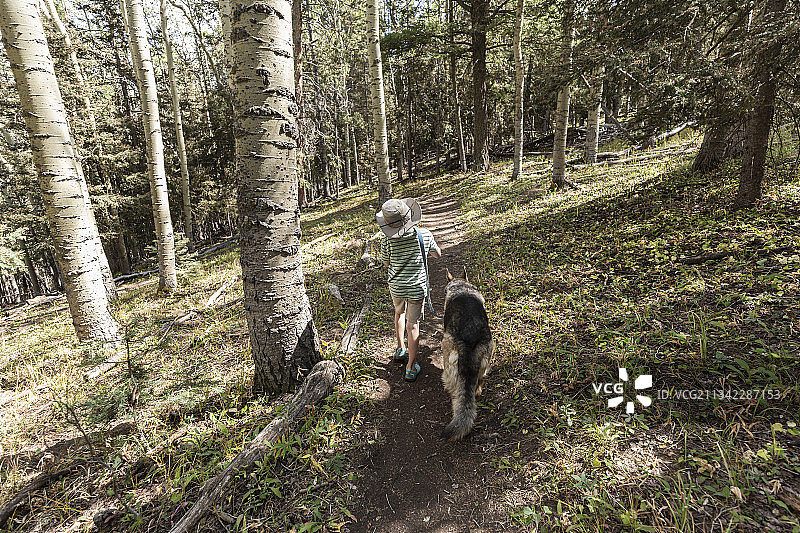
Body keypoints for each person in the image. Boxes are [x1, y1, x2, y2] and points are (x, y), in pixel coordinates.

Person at [376, 198, 441, 382]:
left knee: (399, 313)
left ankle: (400, 348)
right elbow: (437, 254)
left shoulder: (386, 240)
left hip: (396, 286)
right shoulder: (424, 234)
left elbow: (386, 262)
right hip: (416, 288)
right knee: (413, 325)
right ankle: (411, 367)